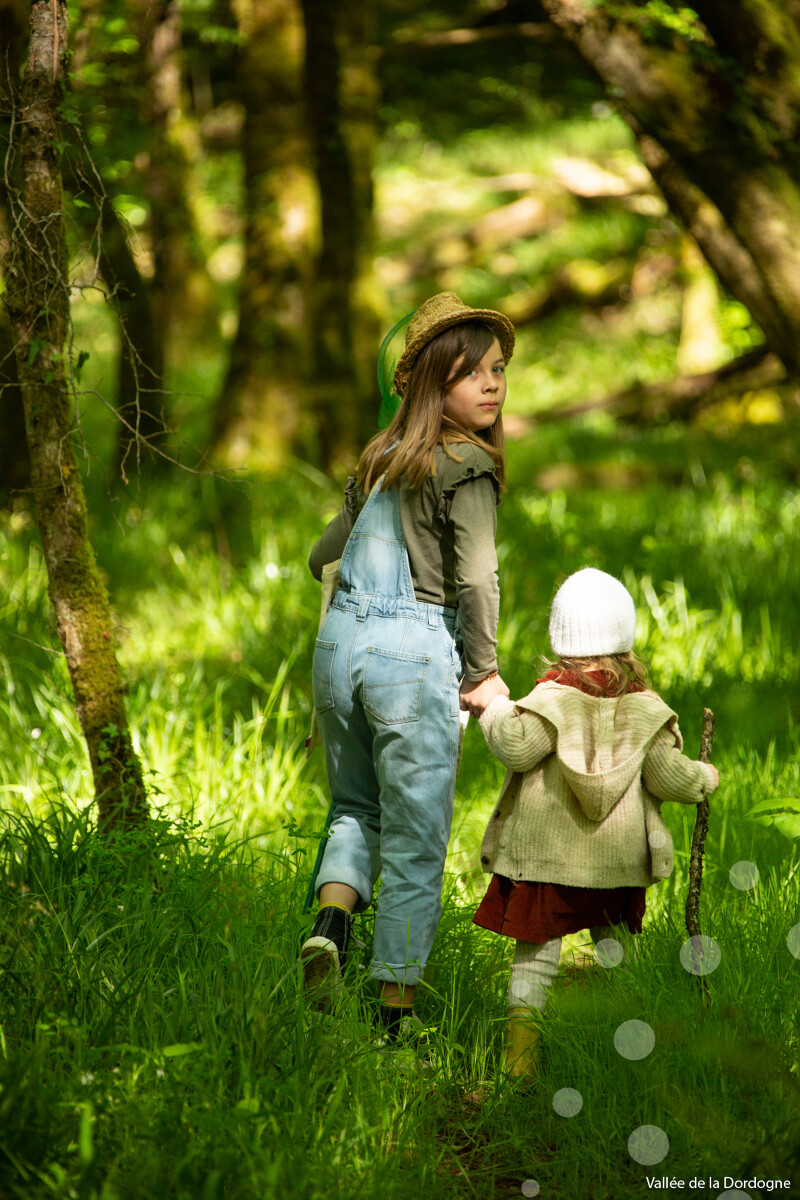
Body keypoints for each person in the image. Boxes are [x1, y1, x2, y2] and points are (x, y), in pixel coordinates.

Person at [301, 292, 514, 1040]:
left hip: (339, 650)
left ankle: (332, 925)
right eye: (473, 372)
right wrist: (481, 672)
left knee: (354, 809)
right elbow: (477, 580)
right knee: (418, 837)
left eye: (497, 371)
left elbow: (321, 557)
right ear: (433, 381)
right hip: (413, 652)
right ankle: (395, 1021)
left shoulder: (379, 458)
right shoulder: (468, 467)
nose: (492, 384)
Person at [473, 567, 720, 1077]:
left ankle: (519, 1063)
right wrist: (705, 778)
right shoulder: (645, 711)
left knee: (536, 956)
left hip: (547, 860)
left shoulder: (549, 701)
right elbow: (670, 778)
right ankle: (623, 1050)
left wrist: (494, 708)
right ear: (624, 643)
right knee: (616, 950)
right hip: (618, 861)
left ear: (560, 642)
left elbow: (517, 748)